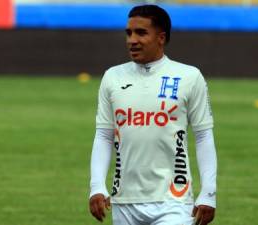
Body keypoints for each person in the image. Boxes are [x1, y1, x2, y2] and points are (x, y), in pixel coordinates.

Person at [89, 4, 217, 225]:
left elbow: (203, 136)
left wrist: (209, 192)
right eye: (128, 33)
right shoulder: (112, 77)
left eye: (141, 32)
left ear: (161, 37)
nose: (132, 40)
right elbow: (104, 135)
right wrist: (97, 186)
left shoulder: (188, 76)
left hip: (174, 200)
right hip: (124, 200)